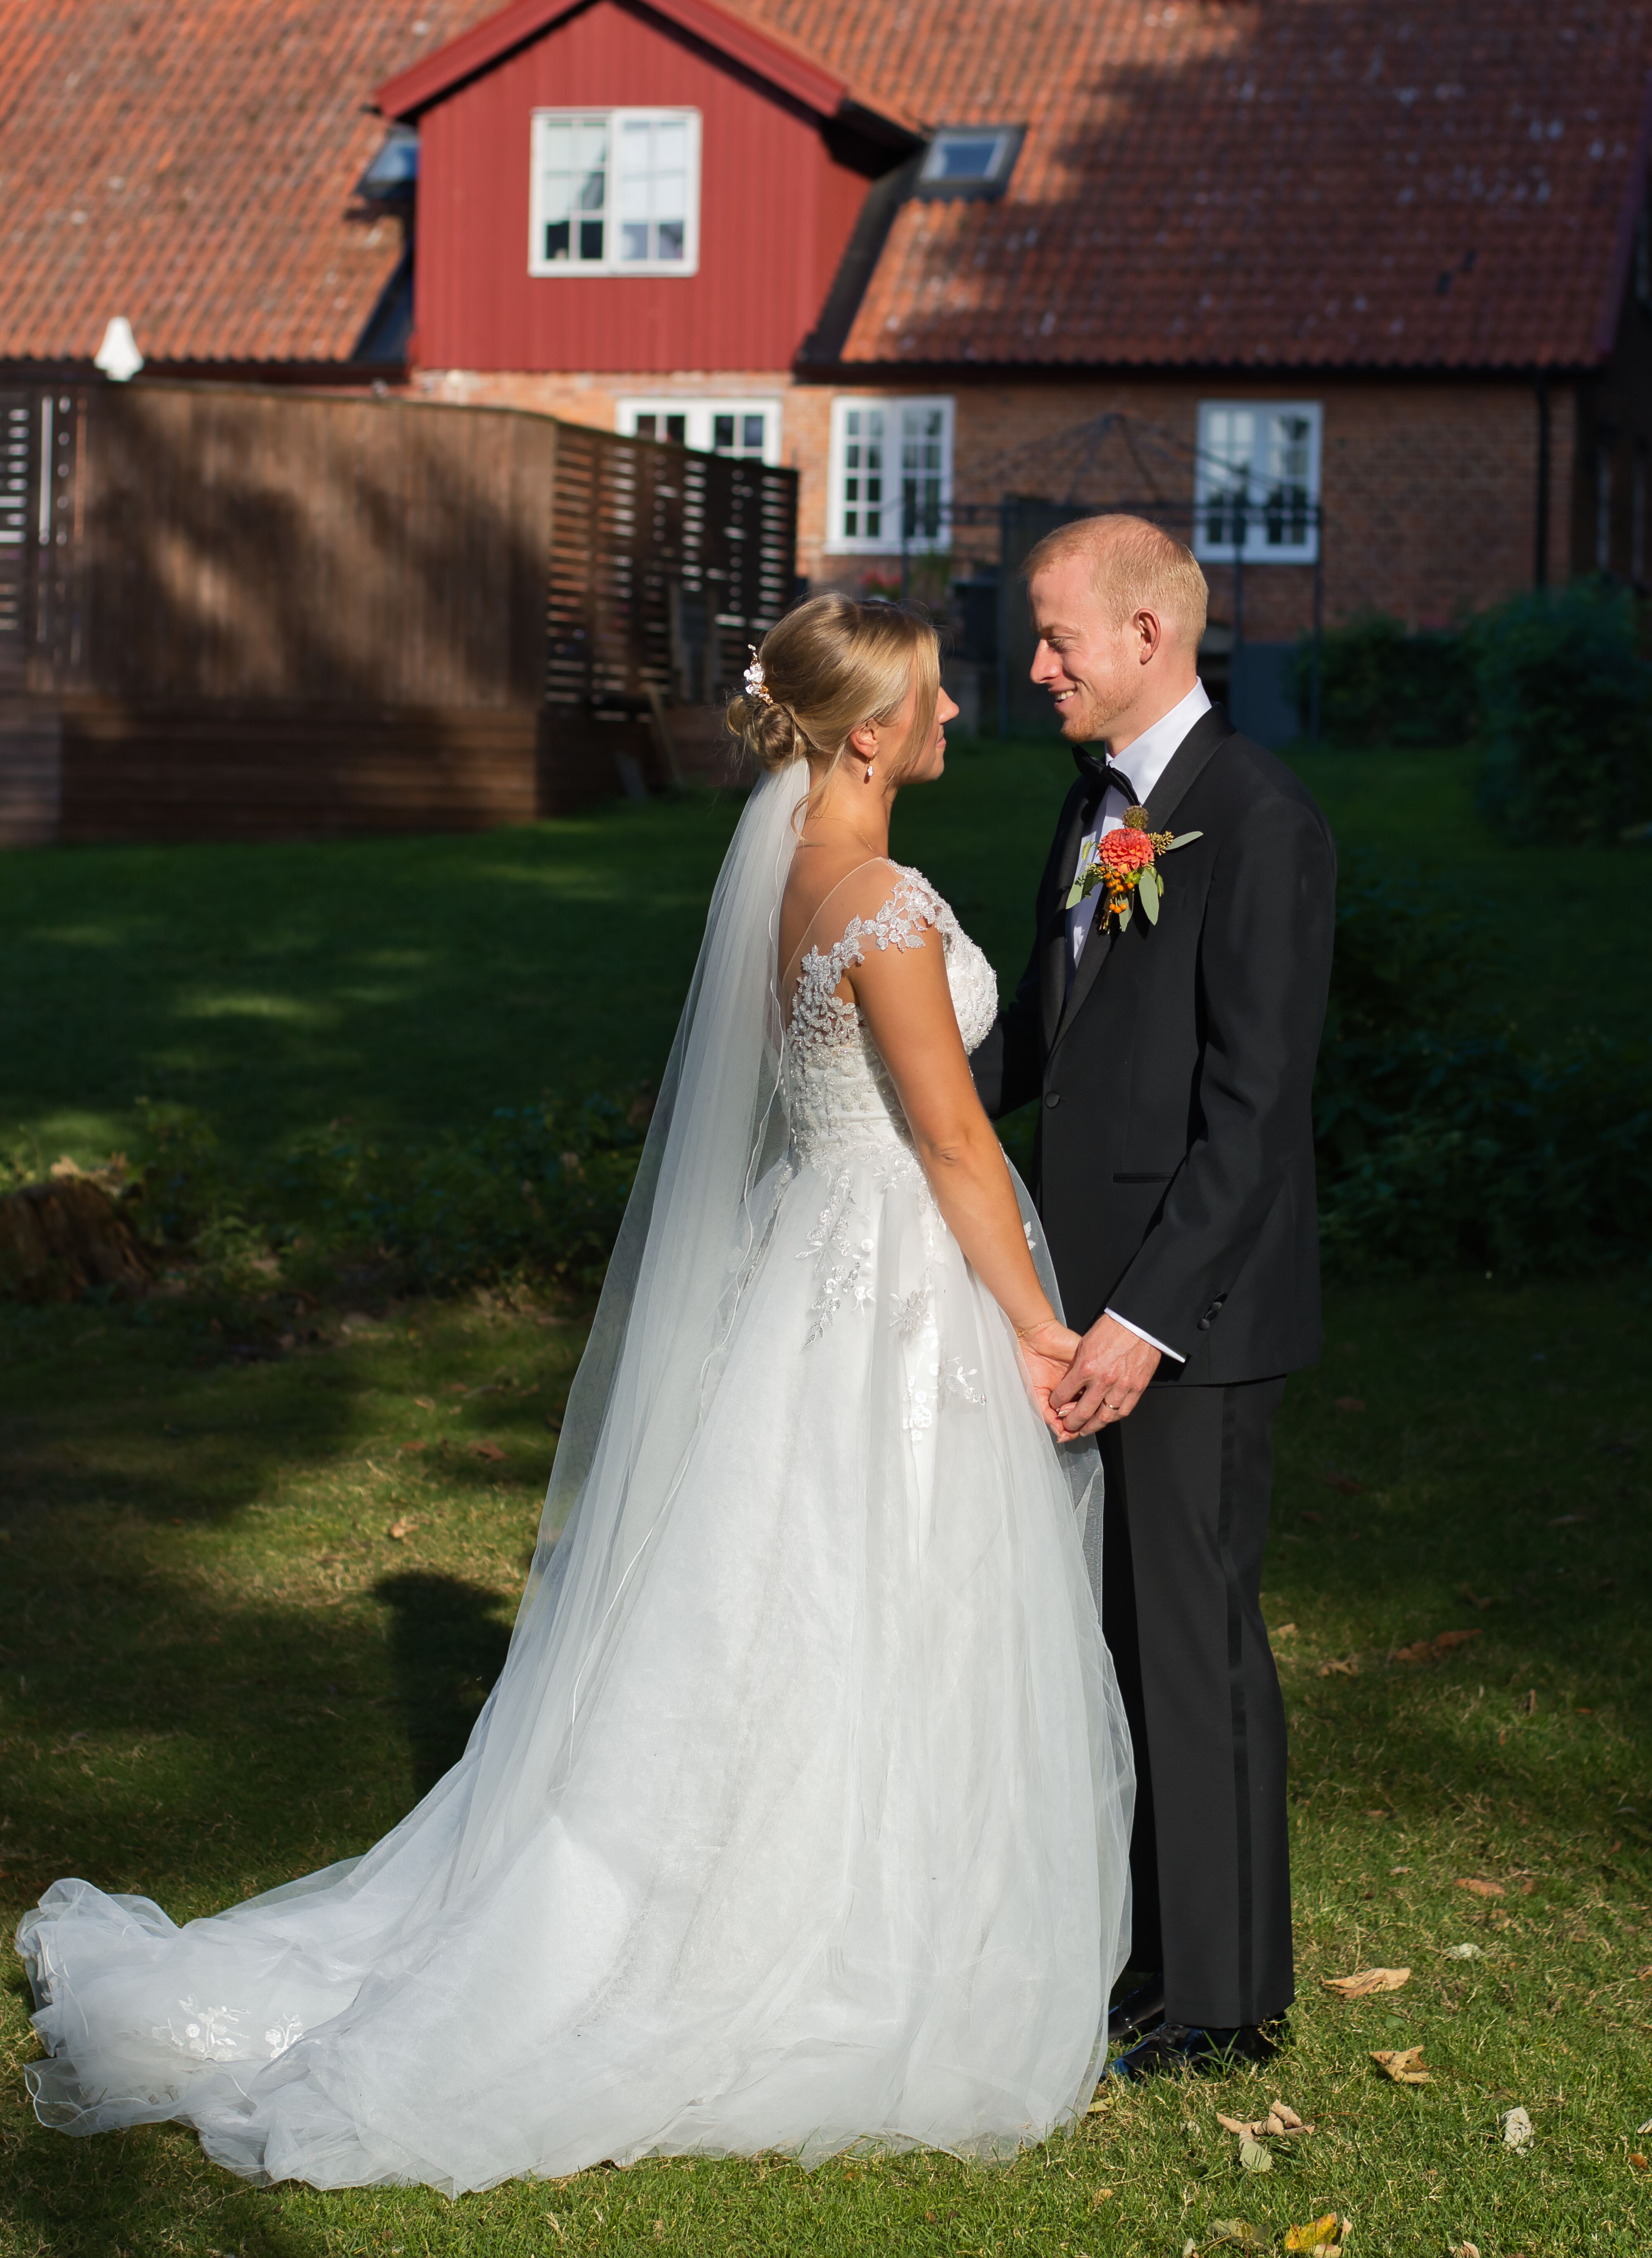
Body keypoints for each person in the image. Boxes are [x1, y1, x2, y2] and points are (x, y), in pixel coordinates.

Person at [18, 593, 1133, 2194]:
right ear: (867, 736)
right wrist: (1036, 1326)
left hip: (814, 1264)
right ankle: (829, 1930)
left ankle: (830, 1884)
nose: (956, 714)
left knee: (800, 1594)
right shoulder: (877, 904)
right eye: (933, 698)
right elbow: (955, 1143)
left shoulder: (789, 877)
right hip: (890, 1281)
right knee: (871, 1586)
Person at [971, 516, 1336, 2080]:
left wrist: (1145, 1321)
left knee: (1195, 1642)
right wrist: (901, 1080)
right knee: (1116, 1634)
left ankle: (1228, 2002)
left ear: (1146, 636)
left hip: (1192, 1315)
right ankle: (1150, 1960)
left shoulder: (1258, 821)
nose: (1036, 665)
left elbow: (1255, 1112)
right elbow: (1058, 1041)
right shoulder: (1098, 807)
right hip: (1087, 1287)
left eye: (1057, 638)